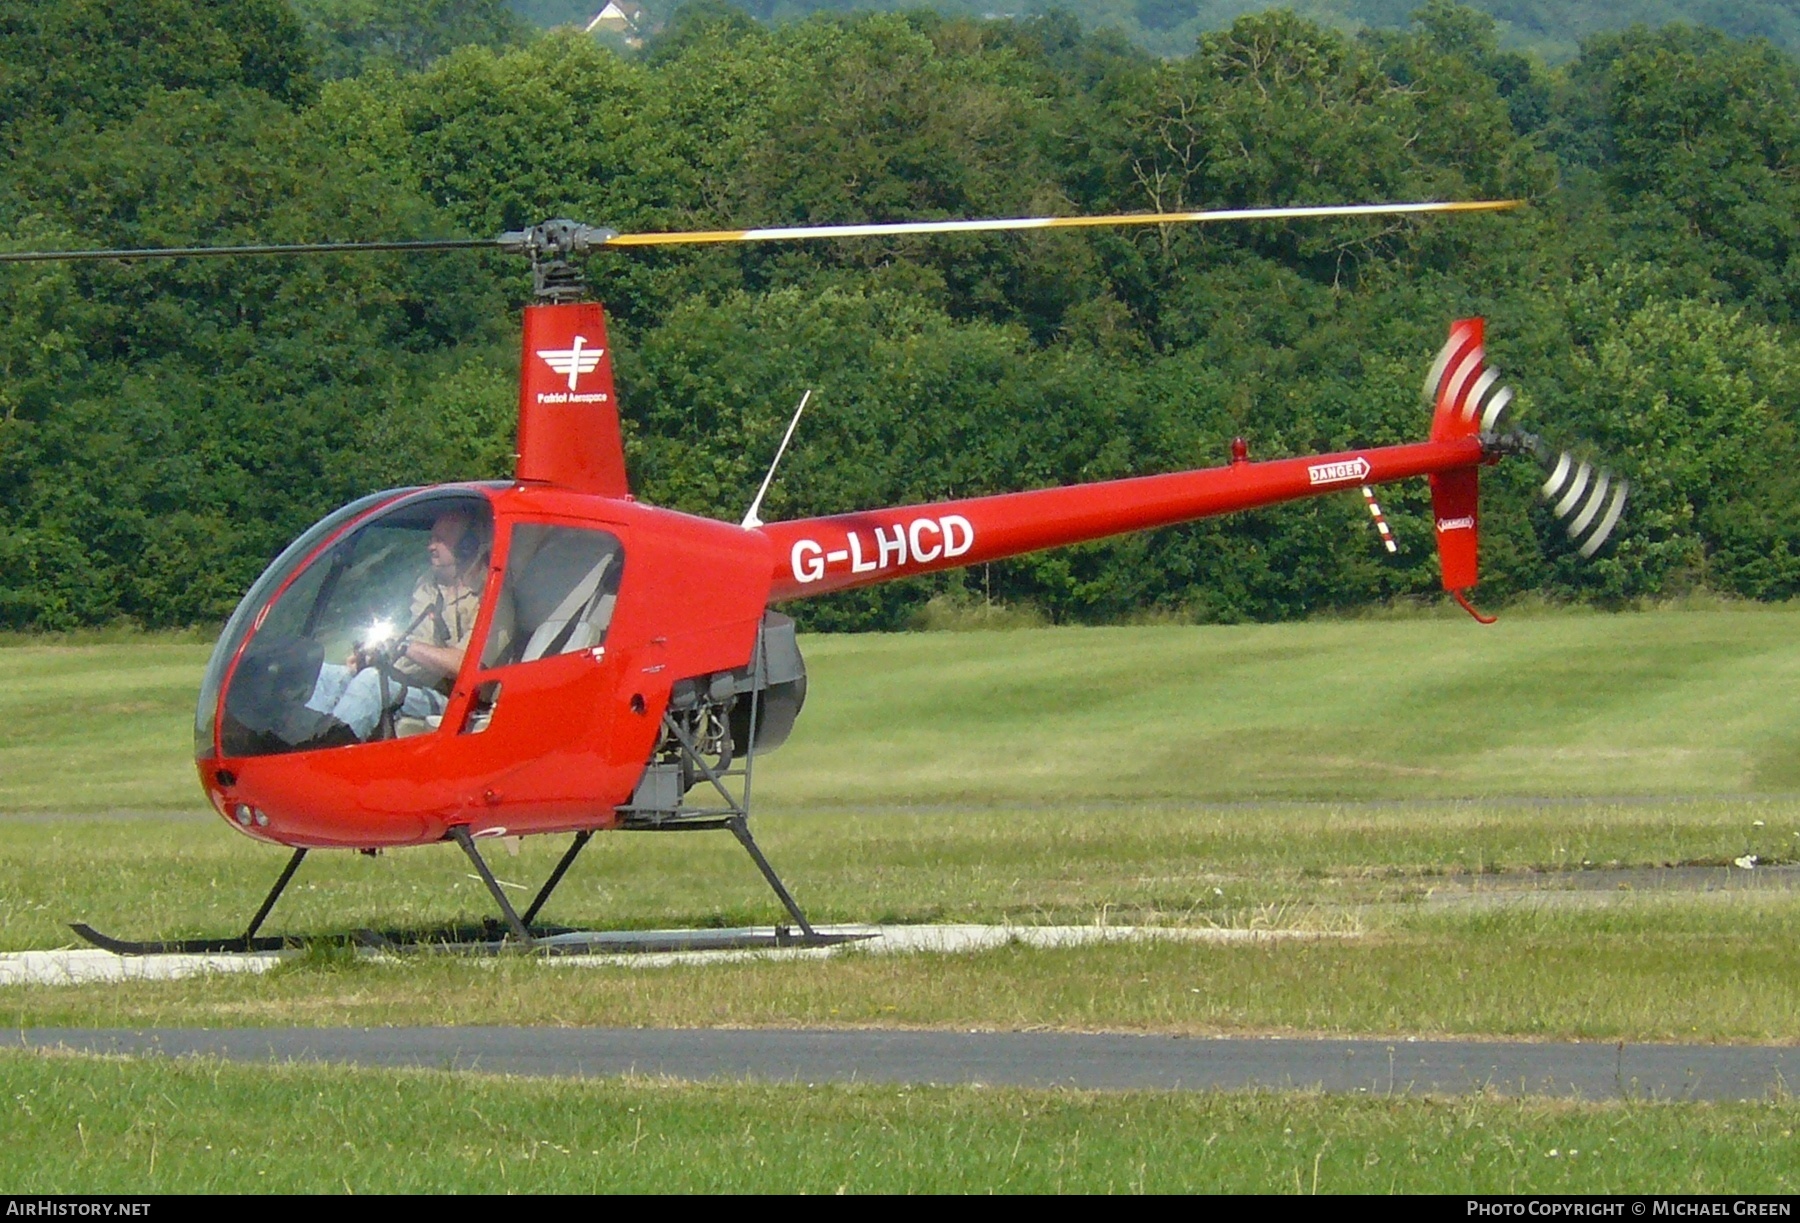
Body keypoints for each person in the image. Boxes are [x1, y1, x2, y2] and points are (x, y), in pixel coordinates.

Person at [303, 507, 511, 744]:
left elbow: (469, 664)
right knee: (326, 674)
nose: (431, 546)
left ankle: (328, 752)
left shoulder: (493, 596)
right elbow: (417, 644)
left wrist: (405, 647)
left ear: (469, 544)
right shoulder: (429, 587)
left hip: (461, 703)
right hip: (420, 685)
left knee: (372, 684)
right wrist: (376, 658)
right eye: (431, 538)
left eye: (441, 540)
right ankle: (298, 747)